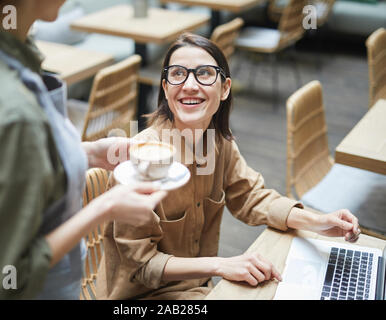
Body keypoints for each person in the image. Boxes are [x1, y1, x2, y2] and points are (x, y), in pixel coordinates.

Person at [96, 33, 362, 300]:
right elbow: (141, 265)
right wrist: (221, 265)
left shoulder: (217, 142)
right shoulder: (140, 160)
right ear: (165, 88)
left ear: (224, 89)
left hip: (199, 287)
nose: (189, 85)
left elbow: (250, 196)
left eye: (204, 73)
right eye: (178, 74)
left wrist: (317, 222)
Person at [0, 0, 166, 299]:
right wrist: (104, 207)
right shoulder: (9, 110)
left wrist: (90, 153)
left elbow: (14, 168)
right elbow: (5, 276)